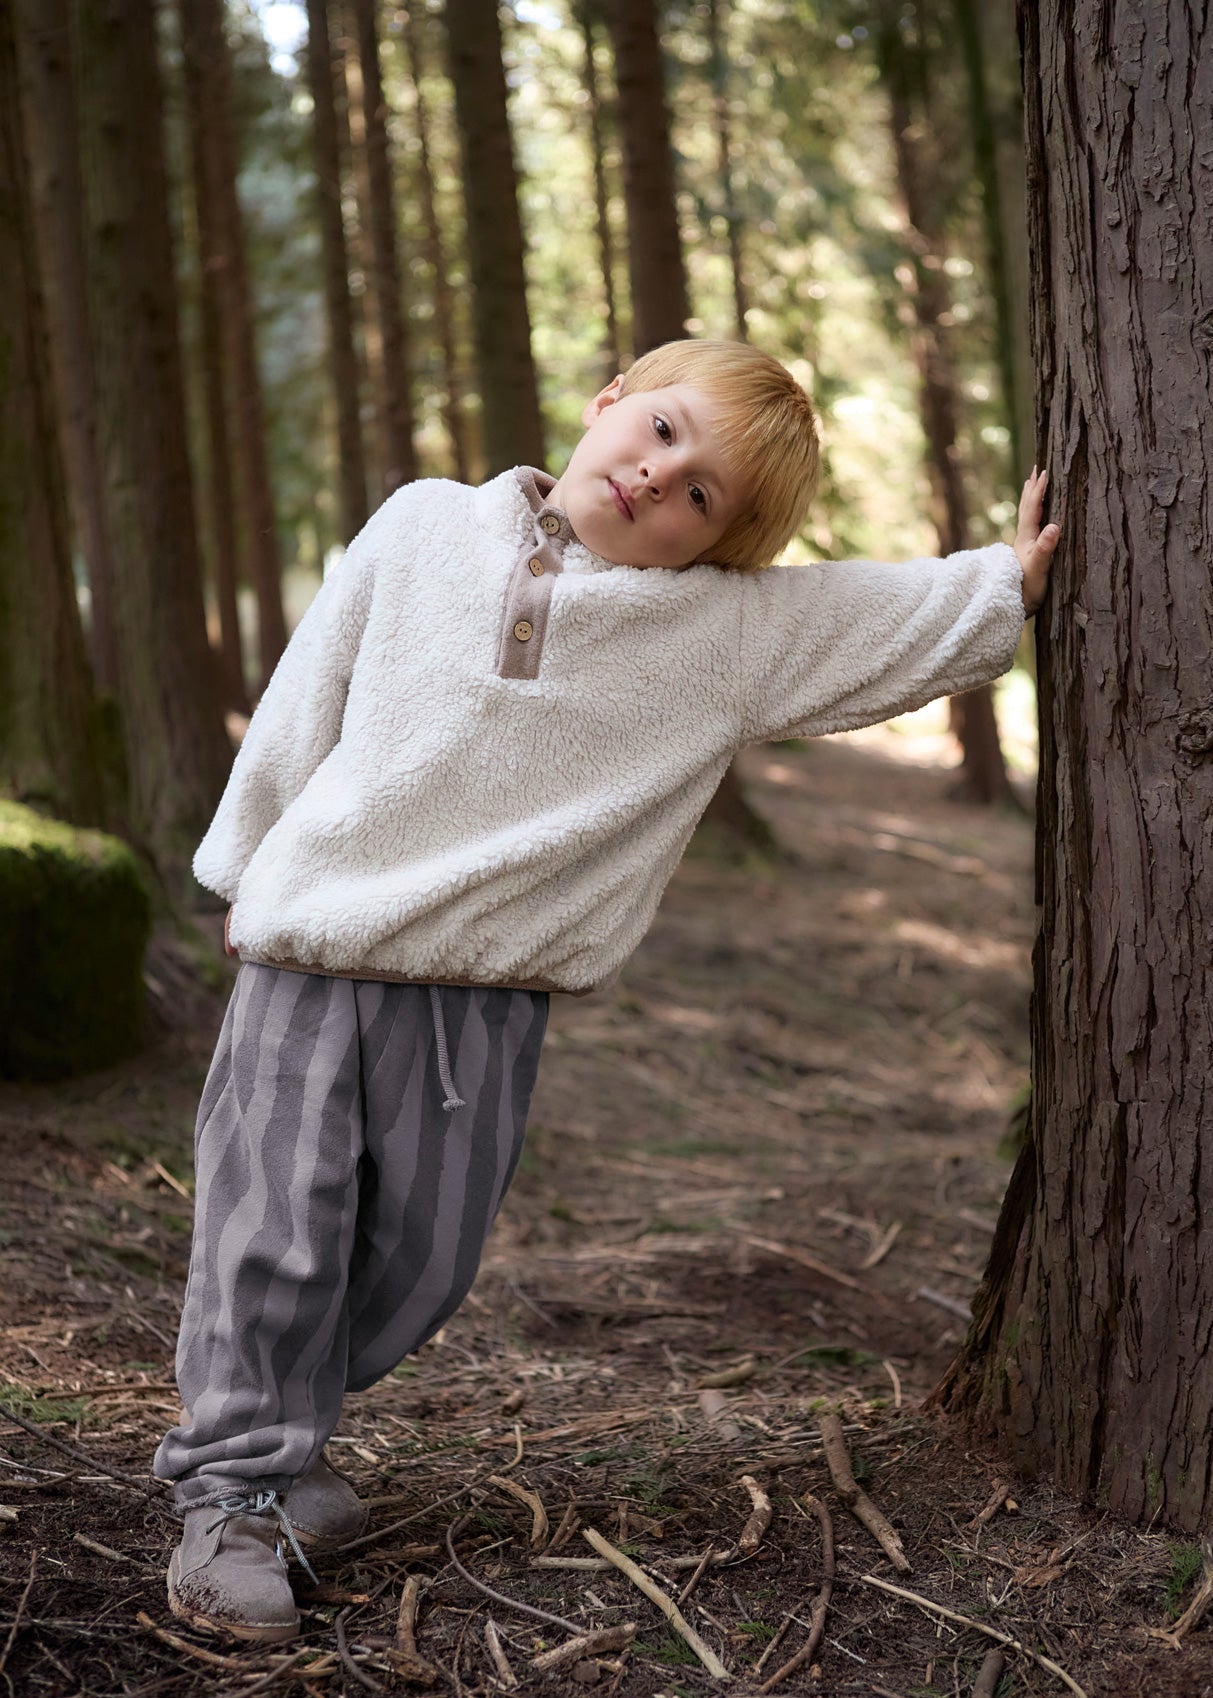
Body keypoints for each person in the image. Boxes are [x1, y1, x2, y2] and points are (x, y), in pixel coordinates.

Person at [152, 339, 1058, 1642]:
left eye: (701, 494)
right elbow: (309, 692)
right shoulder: (419, 525)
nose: (661, 475)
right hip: (315, 954)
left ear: (715, 547)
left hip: (489, 998)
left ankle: (285, 1437)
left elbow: (862, 620)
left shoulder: (713, 634)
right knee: (272, 1229)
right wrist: (243, 869)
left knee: (418, 1257)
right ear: (611, 401)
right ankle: (229, 1492)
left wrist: (1000, 588)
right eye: (664, 431)